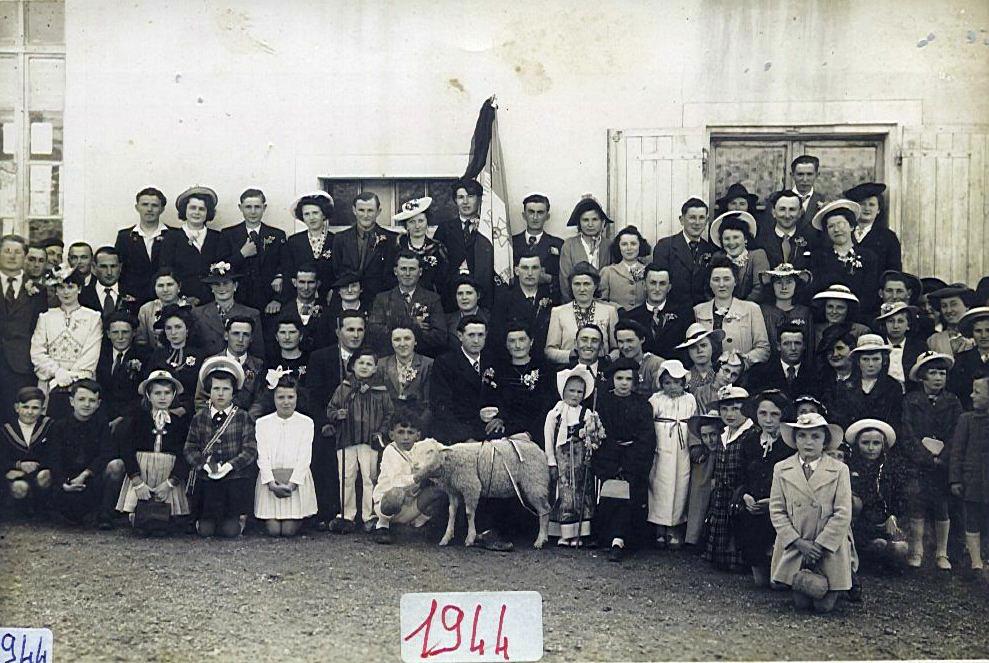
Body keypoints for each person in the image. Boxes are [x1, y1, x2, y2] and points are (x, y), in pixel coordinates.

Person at [770, 412, 852, 613]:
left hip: (827, 547)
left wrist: (820, 545)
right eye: (802, 436)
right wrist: (798, 542)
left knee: (823, 607)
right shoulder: (782, 468)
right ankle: (798, 578)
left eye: (815, 436)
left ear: (825, 441)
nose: (808, 442)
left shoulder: (839, 470)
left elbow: (843, 513)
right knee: (802, 604)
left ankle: (837, 586)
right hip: (798, 543)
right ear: (795, 439)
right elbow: (777, 510)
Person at [183, 357, 257, 538]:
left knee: (230, 532)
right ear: (209, 391)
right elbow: (190, 448)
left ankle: (237, 519)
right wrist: (203, 465)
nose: (221, 394)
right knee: (205, 531)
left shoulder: (242, 416)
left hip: (233, 481)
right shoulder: (200, 417)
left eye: (226, 389)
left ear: (233, 392)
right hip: (206, 481)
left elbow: (250, 450)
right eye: (216, 389)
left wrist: (231, 465)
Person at [900, 351, 961, 569]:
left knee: (941, 504)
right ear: (922, 377)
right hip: (918, 462)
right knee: (917, 502)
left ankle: (941, 553)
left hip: (943, 463)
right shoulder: (911, 401)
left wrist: (942, 457)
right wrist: (925, 457)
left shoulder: (952, 402)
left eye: (942, 373)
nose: (938, 378)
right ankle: (917, 549)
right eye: (933, 373)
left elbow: (957, 433)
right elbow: (907, 432)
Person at [306, 312, 366, 530]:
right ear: (338, 332)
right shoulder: (320, 357)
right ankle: (328, 511)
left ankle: (362, 514)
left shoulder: (369, 358)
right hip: (330, 425)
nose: (355, 335)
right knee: (323, 453)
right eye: (350, 330)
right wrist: (326, 422)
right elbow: (313, 397)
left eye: (360, 330)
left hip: (362, 427)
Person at [593, 357, 656, 561]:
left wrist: (631, 460)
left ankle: (621, 541)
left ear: (634, 381)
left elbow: (646, 437)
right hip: (609, 456)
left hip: (633, 457)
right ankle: (606, 536)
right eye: (619, 378)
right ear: (613, 379)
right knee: (609, 493)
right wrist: (612, 457)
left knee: (630, 494)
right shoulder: (603, 402)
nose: (623, 383)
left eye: (628, 379)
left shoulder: (642, 404)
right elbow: (599, 433)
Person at [324, 349, 393, 533]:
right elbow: (330, 409)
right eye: (361, 363)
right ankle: (347, 515)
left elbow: (389, 413)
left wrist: (381, 432)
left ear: (375, 368)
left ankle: (369, 515)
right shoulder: (344, 388)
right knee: (346, 477)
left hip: (369, 440)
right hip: (346, 439)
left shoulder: (380, 391)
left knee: (369, 477)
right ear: (353, 366)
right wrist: (337, 415)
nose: (364, 367)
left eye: (369, 364)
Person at [115, 370, 191, 532]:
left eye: (167, 393)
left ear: (173, 395)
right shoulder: (138, 419)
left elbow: (184, 454)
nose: (162, 397)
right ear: (148, 396)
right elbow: (127, 449)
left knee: (166, 521)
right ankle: (137, 515)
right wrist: (137, 481)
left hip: (167, 474)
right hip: (142, 472)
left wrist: (170, 483)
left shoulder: (179, 423)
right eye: (157, 393)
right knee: (142, 516)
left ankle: (166, 518)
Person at [735, 390, 796, 587]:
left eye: (774, 414)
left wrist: (773, 502)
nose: (768, 420)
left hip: (783, 507)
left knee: (777, 583)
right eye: (763, 414)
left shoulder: (790, 445)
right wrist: (746, 495)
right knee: (760, 582)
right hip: (753, 506)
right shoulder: (750, 441)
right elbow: (741, 474)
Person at [29, 266, 103, 419]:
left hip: (81, 385)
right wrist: (57, 373)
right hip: (50, 384)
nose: (65, 292)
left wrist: (70, 377)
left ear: (79, 289)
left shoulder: (93, 317)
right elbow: (37, 352)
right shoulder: (46, 317)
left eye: (70, 287)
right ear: (56, 291)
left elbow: (91, 354)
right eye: (61, 287)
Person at [49, 379, 124, 529]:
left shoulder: (102, 425)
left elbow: (107, 453)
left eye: (92, 400)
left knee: (117, 465)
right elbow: (54, 458)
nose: (86, 404)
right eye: (81, 399)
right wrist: (64, 482)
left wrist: (86, 474)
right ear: (72, 401)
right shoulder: (59, 426)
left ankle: (105, 515)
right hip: (67, 482)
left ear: (98, 403)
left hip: (91, 478)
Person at [254, 374, 318, 537]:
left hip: (295, 482)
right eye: (280, 397)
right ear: (273, 398)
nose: (286, 402)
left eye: (290, 397)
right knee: (274, 531)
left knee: (288, 531)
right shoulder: (262, 423)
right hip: (272, 482)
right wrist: (271, 483)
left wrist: (292, 484)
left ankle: (299, 517)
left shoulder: (306, 423)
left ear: (297, 397)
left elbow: (304, 457)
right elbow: (263, 456)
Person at [371, 407, 447, 545]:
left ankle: (418, 524)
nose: (406, 437)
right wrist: (420, 475)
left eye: (410, 433)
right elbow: (396, 482)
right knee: (396, 493)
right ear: (392, 435)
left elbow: (439, 449)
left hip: (410, 505)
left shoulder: (420, 448)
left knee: (440, 490)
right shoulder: (390, 451)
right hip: (388, 505)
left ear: (418, 435)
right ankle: (382, 526)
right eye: (401, 432)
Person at [544, 365, 600, 546]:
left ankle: (579, 534)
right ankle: (564, 533)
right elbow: (549, 439)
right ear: (563, 390)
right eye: (571, 391)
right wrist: (551, 461)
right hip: (562, 460)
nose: (575, 395)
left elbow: (592, 436)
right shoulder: (555, 414)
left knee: (581, 494)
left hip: (580, 460)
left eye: (579, 392)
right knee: (564, 494)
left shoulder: (587, 413)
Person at [704, 385, 757, 571]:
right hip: (722, 490)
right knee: (720, 519)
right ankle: (719, 557)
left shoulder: (751, 433)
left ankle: (737, 561)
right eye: (725, 409)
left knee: (737, 524)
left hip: (739, 490)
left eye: (735, 409)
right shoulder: (724, 433)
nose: (730, 414)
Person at [846, 418, 910, 571]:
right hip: (860, 521)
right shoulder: (851, 468)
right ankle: (869, 555)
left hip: (883, 519)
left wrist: (893, 516)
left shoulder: (889, 468)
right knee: (876, 544)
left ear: (883, 445)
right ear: (857, 444)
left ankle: (886, 556)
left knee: (900, 548)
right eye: (865, 443)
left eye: (876, 443)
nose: (870, 448)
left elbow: (899, 497)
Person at [429, 316, 504, 444]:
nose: (476, 340)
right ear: (460, 336)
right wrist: (465, 437)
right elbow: (441, 406)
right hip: (457, 432)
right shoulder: (445, 363)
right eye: (471, 335)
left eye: (480, 335)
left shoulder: (494, 361)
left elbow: (504, 396)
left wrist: (500, 418)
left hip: (490, 429)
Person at [648, 359, 696, 549]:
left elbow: (694, 420)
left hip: (682, 446)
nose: (672, 386)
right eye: (667, 382)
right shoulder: (656, 399)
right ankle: (659, 527)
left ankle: (674, 527)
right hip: (662, 445)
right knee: (660, 483)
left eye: (677, 382)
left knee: (681, 482)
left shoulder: (689, 399)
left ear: (684, 382)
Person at [0, 235, 48, 424]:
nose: (12, 256)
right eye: (7, 251)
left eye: (17, 252)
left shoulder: (38, 291)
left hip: (21, 365)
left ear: (24, 257)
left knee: (15, 420)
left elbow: (40, 330)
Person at [693, 256, 771, 369]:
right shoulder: (698, 311)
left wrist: (741, 363)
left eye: (726, 279)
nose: (721, 284)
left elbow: (763, 349)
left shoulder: (752, 309)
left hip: (742, 375)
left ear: (735, 281)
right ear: (709, 283)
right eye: (716, 279)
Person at [432, 178, 495, 311]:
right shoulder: (445, 229)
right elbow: (438, 264)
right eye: (461, 197)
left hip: (483, 294)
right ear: (455, 200)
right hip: (451, 295)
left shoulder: (488, 229)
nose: (465, 202)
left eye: (470, 196)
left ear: (479, 199)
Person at [369, 251, 447, 358]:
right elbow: (375, 332)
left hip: (423, 358)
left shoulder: (432, 299)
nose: (407, 273)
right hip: (389, 359)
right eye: (403, 269)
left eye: (412, 269)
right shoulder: (382, 299)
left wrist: (393, 326)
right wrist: (413, 325)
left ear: (420, 272)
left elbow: (440, 336)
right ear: (395, 271)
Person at [810, 200, 881, 316]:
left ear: (852, 226)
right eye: (831, 226)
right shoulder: (818, 257)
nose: (836, 230)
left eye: (841, 224)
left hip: (859, 317)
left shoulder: (868, 257)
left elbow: (870, 293)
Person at [222, 188, 287, 314]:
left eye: (257, 207)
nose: (253, 212)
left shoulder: (277, 235)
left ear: (264, 208)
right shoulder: (228, 234)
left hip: (268, 302)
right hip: (237, 300)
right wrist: (242, 254)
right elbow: (220, 268)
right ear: (240, 208)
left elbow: (286, 266)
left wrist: (278, 298)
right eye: (248, 207)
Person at [949, 376, 989, 577]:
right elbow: (957, 451)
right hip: (973, 479)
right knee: (972, 517)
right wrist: (955, 479)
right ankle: (976, 562)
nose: (972, 395)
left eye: (977, 392)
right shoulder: (966, 420)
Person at [158, 186, 225, 304]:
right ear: (185, 210)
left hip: (213, 300)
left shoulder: (217, 237)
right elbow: (167, 271)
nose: (197, 212)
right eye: (192, 208)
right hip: (182, 301)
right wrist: (182, 297)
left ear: (208, 212)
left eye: (202, 209)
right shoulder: (171, 237)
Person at [544, 262, 619, 367]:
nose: (582, 289)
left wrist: (606, 359)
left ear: (595, 286)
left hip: (601, 369)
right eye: (577, 284)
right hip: (569, 369)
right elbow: (549, 351)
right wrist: (571, 355)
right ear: (571, 286)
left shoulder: (609, 311)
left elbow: (617, 349)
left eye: (587, 284)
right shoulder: (558, 312)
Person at [331, 192, 399, 307]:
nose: (365, 215)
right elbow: (337, 270)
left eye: (370, 210)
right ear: (354, 210)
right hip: (348, 301)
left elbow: (390, 275)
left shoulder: (391, 239)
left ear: (378, 211)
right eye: (361, 210)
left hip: (379, 302)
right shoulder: (340, 238)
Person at [193, 316, 266, 419]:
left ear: (251, 339)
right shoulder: (211, 363)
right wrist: (213, 418)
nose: (240, 339)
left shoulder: (258, 366)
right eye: (236, 334)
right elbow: (201, 400)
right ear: (226, 336)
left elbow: (259, 402)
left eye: (246, 335)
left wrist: (245, 420)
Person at [830, 334, 903, 434]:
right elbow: (840, 419)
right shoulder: (845, 386)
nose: (871, 364)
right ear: (858, 361)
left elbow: (895, 420)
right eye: (865, 359)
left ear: (884, 361)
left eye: (876, 359)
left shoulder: (893, 386)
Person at [191, 262, 265, 361]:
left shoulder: (251, 314)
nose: (222, 288)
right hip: (208, 365)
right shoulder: (198, 313)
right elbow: (194, 347)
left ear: (235, 286)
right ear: (211, 288)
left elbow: (258, 352)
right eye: (217, 284)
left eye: (226, 283)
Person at [652, 198, 717, 308]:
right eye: (692, 217)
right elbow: (660, 284)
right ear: (682, 220)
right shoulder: (665, 247)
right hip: (673, 310)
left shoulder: (710, 249)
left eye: (701, 218)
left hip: (702, 311)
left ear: (707, 221)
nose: (697, 223)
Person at [619, 264, 694, 360]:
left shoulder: (684, 315)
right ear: (644, 285)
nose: (657, 289)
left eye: (662, 284)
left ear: (669, 287)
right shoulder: (630, 318)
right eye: (653, 283)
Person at [494, 322, 552, 440]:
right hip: (506, 432)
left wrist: (530, 434)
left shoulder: (545, 369)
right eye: (512, 341)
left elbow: (548, 406)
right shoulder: (500, 371)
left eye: (522, 340)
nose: (517, 345)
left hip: (537, 432)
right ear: (506, 344)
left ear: (531, 341)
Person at [1, 386, 54, 514]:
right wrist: (17, 465)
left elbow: (55, 454)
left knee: (45, 476)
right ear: (17, 408)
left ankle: (41, 507)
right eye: (25, 407)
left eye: (35, 408)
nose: (30, 412)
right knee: (19, 488)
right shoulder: (6, 429)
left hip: (40, 471)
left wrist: (39, 466)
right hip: (16, 473)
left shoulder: (50, 426)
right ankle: (21, 509)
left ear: (42, 409)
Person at [491, 253, 557, 355]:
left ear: (541, 271)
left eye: (534, 268)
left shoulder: (552, 298)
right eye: (525, 268)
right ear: (516, 271)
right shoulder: (504, 300)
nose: (530, 273)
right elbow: (497, 337)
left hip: (545, 357)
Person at [115, 187, 172, 305]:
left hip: (167, 299)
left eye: (154, 205)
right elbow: (120, 270)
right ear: (137, 207)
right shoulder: (124, 237)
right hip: (133, 300)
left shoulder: (173, 235)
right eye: (145, 204)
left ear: (162, 209)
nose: (149, 209)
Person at [145, 303, 203, 417]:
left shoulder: (199, 356)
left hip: (188, 413)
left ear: (187, 329)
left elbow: (201, 392)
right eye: (169, 328)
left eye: (178, 327)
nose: (173, 332)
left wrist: (185, 408)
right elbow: (148, 385)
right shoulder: (157, 355)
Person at [95, 311, 150, 428]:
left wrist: (123, 417)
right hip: (102, 414)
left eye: (125, 332)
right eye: (115, 332)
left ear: (134, 333)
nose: (120, 337)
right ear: (108, 334)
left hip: (132, 416)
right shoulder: (100, 355)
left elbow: (144, 394)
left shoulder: (145, 355)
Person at [281, 191, 336, 299]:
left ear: (324, 214)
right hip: (301, 297)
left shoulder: (335, 240)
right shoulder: (294, 241)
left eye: (315, 213)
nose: (311, 218)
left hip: (329, 298)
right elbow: (288, 273)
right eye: (307, 214)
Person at [559, 196, 614, 302]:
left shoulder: (608, 245)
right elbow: (565, 281)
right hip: (575, 303)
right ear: (579, 223)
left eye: (595, 219)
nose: (590, 224)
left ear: (602, 222)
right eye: (585, 220)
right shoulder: (569, 245)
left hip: (604, 303)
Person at [393, 196, 449, 298]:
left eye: (421, 221)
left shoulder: (437, 249)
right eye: (412, 222)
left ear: (427, 222)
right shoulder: (396, 248)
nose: (417, 226)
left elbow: (443, 281)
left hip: (431, 300)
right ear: (406, 225)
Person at [511, 193, 564, 302]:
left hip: (548, 300)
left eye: (540, 213)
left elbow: (565, 278)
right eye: (531, 212)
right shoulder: (511, 243)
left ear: (547, 216)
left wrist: (548, 278)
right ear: (524, 215)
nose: (535, 217)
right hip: (516, 301)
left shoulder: (558, 244)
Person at [746, 323, 819, 399]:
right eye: (787, 344)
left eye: (797, 343)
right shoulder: (761, 373)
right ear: (778, 346)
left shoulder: (814, 375)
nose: (793, 348)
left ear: (804, 346)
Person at [709, 211, 770, 302]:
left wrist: (739, 307)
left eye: (736, 237)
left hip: (751, 307)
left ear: (745, 239)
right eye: (727, 239)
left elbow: (759, 289)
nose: (731, 243)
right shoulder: (717, 257)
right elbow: (709, 288)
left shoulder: (757, 255)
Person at [844, 182, 902, 276]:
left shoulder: (888, 238)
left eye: (871, 205)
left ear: (878, 210)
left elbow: (893, 272)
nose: (867, 208)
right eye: (862, 204)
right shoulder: (844, 233)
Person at [758, 263, 815, 360]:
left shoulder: (804, 313)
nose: (784, 287)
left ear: (796, 285)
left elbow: (810, 346)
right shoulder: (763, 311)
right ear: (772, 285)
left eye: (789, 282)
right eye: (778, 282)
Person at [685, 410, 724, 548]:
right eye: (705, 436)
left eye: (713, 435)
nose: (709, 440)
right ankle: (695, 536)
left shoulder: (724, 451)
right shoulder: (703, 456)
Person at [755, 190, 815, 272]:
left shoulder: (811, 240)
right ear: (773, 212)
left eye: (792, 209)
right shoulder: (760, 240)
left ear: (800, 213)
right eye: (782, 209)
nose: (787, 215)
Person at [274, 264, 328, 354]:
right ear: (294, 282)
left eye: (310, 282)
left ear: (318, 284)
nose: (306, 287)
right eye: (302, 282)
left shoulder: (327, 311)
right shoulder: (282, 310)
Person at [378, 325, 433, 412]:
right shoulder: (381, 365)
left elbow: (429, 403)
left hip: (418, 417)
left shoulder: (428, 365)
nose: (402, 344)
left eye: (407, 339)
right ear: (391, 343)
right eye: (397, 340)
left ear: (415, 341)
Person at [79, 247, 139, 325]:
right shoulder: (82, 295)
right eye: (103, 266)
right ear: (93, 268)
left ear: (120, 267)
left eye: (113, 266)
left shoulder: (133, 293)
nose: (109, 272)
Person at [599, 225, 651, 310]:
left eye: (633, 244)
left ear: (640, 246)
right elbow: (600, 301)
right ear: (618, 247)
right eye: (624, 244)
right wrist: (617, 308)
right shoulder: (608, 272)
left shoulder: (648, 271)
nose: (629, 248)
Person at [947, 307, 989, 410]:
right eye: (978, 331)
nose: (984, 335)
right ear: (971, 333)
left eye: (988, 330)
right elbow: (954, 390)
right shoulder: (961, 360)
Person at [875, 301, 926, 386]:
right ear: (884, 325)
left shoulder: (919, 347)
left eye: (900, 321)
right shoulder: (878, 346)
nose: (895, 326)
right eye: (891, 321)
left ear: (908, 325)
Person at [135, 268, 188, 349]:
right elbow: (141, 340)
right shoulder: (147, 309)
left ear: (179, 286)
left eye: (170, 285)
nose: (165, 290)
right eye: (160, 286)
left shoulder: (189, 308)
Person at [613, 319, 664, 397]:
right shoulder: (616, 364)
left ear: (642, 339)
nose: (625, 346)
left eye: (629, 341)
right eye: (621, 342)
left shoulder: (656, 364)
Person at [811, 284, 870, 349]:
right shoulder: (815, 330)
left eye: (840, 307)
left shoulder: (860, 331)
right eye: (830, 307)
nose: (834, 311)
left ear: (848, 310)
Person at [926, 283, 976, 357]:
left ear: (967, 305)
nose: (948, 310)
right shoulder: (934, 340)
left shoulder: (980, 334)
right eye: (944, 306)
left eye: (953, 304)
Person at [677, 323, 724, 392]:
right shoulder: (683, 377)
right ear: (688, 352)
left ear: (712, 347)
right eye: (693, 347)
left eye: (703, 345)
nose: (699, 350)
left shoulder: (723, 373)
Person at [446, 275, 489, 350]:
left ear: (478, 295)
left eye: (469, 293)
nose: (464, 297)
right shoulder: (447, 320)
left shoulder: (490, 319)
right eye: (460, 294)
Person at [789, 155, 826, 231]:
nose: (805, 179)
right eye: (800, 174)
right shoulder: (777, 199)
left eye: (809, 174)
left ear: (817, 175)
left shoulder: (824, 201)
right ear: (792, 175)